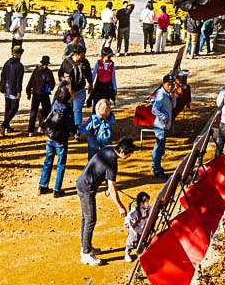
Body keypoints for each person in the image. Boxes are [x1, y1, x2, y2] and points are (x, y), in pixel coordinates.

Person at [75, 137, 136, 266]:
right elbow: (111, 188)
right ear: (123, 152)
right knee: (90, 219)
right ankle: (86, 254)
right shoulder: (112, 162)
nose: (130, 155)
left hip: (82, 183)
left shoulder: (108, 148)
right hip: (87, 189)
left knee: (86, 219)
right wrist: (120, 206)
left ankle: (86, 247)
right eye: (130, 153)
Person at [38, 84, 75, 198]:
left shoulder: (55, 104)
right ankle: (57, 189)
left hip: (50, 137)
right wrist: (72, 133)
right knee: (61, 164)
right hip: (61, 140)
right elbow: (70, 125)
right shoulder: (68, 110)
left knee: (48, 161)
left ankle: (43, 186)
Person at [58, 45, 94, 131]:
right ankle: (69, 127)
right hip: (68, 92)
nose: (83, 57)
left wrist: (91, 84)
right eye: (82, 55)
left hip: (80, 90)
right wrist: (64, 80)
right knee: (68, 109)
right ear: (75, 54)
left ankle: (77, 130)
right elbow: (60, 74)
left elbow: (89, 74)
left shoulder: (85, 62)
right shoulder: (66, 62)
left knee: (77, 110)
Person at [151, 73, 176, 178]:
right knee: (159, 147)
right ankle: (157, 168)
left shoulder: (169, 93)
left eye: (172, 84)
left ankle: (155, 166)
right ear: (163, 84)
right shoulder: (161, 94)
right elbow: (154, 109)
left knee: (160, 147)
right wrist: (163, 116)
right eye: (168, 84)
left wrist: (173, 97)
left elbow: (173, 106)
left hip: (164, 126)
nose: (170, 86)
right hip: (160, 126)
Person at [26, 54, 56, 135]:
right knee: (46, 111)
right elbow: (52, 84)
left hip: (35, 94)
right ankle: (42, 126)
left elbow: (30, 82)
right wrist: (49, 88)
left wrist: (28, 93)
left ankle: (30, 130)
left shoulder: (36, 71)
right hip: (44, 94)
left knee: (33, 112)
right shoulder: (48, 72)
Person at [0, 46, 25, 135]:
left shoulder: (7, 63)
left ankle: (7, 126)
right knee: (14, 108)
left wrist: (2, 87)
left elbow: (3, 76)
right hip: (13, 90)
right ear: (19, 55)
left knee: (8, 108)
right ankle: (4, 124)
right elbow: (18, 80)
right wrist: (19, 91)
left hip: (6, 88)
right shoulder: (19, 66)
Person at [124, 191, 151, 262]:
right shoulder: (135, 211)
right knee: (130, 243)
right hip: (134, 231)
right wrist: (127, 223)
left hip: (142, 231)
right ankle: (127, 254)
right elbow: (128, 217)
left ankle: (139, 254)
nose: (148, 203)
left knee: (141, 244)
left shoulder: (148, 209)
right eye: (147, 202)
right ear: (141, 203)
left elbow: (153, 211)